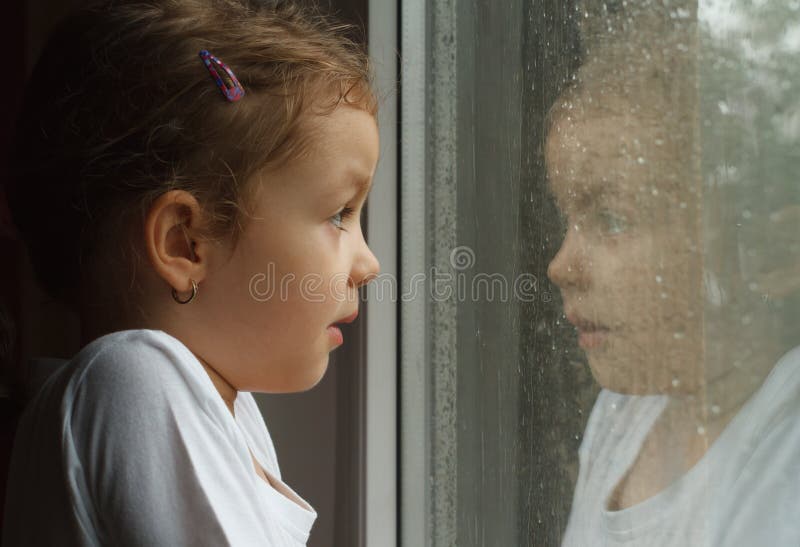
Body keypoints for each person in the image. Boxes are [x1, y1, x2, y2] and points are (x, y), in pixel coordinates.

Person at [2, 1, 380, 545]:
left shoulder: (223, 408)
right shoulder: (136, 380)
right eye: (338, 214)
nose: (369, 265)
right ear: (185, 243)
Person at [545, 3, 800, 545]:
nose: (560, 265)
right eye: (567, 220)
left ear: (771, 253)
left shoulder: (782, 465)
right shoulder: (628, 409)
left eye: (611, 219)